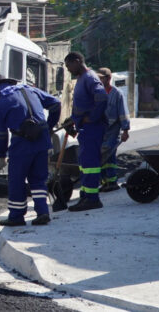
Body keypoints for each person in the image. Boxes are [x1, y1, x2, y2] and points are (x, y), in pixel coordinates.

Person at [0, 74, 61, 226]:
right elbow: (56, 104)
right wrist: (49, 126)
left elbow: (0, 133)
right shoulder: (31, 90)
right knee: (38, 179)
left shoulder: (1, 103)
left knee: (17, 180)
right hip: (42, 141)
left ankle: (17, 216)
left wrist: (1, 155)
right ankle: (43, 212)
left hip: (22, 144)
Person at [63, 52, 108, 212]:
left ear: (77, 61)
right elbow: (83, 104)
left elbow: (102, 97)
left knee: (90, 164)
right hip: (85, 127)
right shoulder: (82, 78)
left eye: (69, 66)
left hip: (92, 128)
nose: (68, 70)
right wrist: (73, 118)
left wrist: (92, 118)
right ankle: (85, 196)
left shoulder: (90, 77)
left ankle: (93, 199)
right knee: (84, 163)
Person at [97, 68, 130, 192]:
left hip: (113, 130)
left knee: (109, 155)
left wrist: (125, 130)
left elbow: (123, 113)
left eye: (101, 78)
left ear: (108, 78)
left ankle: (112, 181)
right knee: (100, 156)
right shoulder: (98, 93)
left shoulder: (117, 93)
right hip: (100, 129)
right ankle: (105, 181)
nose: (99, 80)